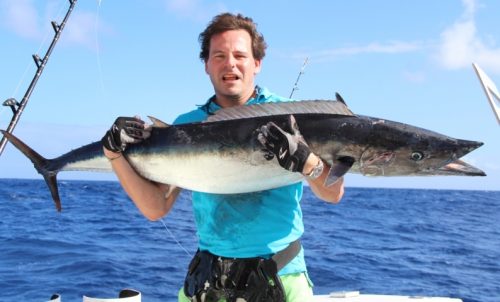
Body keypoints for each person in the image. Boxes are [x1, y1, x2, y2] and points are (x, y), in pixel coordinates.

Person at [101, 13, 347, 302]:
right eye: (219, 55)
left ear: (257, 63)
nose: (230, 63)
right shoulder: (187, 124)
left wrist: (307, 162)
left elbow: (333, 194)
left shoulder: (293, 118)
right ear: (206, 65)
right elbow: (156, 208)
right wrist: (113, 153)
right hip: (209, 282)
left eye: (240, 55)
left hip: (282, 277)